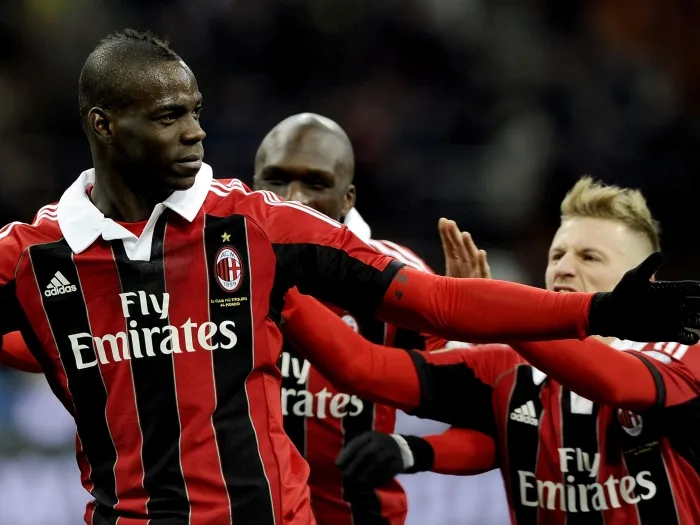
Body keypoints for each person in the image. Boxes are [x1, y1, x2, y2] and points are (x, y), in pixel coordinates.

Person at [0, 29, 698, 525]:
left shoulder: (259, 231)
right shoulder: (32, 259)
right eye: (169, 116)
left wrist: (594, 314)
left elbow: (435, 309)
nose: (197, 134)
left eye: (196, 112)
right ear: (104, 126)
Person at [280, 177, 700, 524]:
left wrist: (490, 315)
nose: (564, 267)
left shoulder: (684, 353)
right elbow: (362, 367)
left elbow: (614, 381)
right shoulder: (506, 367)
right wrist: (279, 284)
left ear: (645, 283)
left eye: (589, 256)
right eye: (558, 254)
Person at [252, 113, 456, 525]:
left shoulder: (398, 280)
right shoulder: (214, 274)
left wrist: (465, 323)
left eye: (315, 183)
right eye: (275, 180)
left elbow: (482, 397)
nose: (293, 199)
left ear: (348, 197)